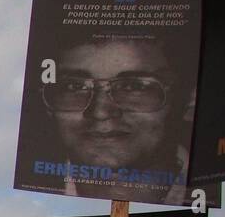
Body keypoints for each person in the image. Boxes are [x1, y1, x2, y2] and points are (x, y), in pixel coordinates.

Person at [31, 32, 199, 205]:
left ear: (189, 99)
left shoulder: (213, 196)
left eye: (133, 86)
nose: (99, 112)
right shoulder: (28, 199)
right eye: (74, 86)